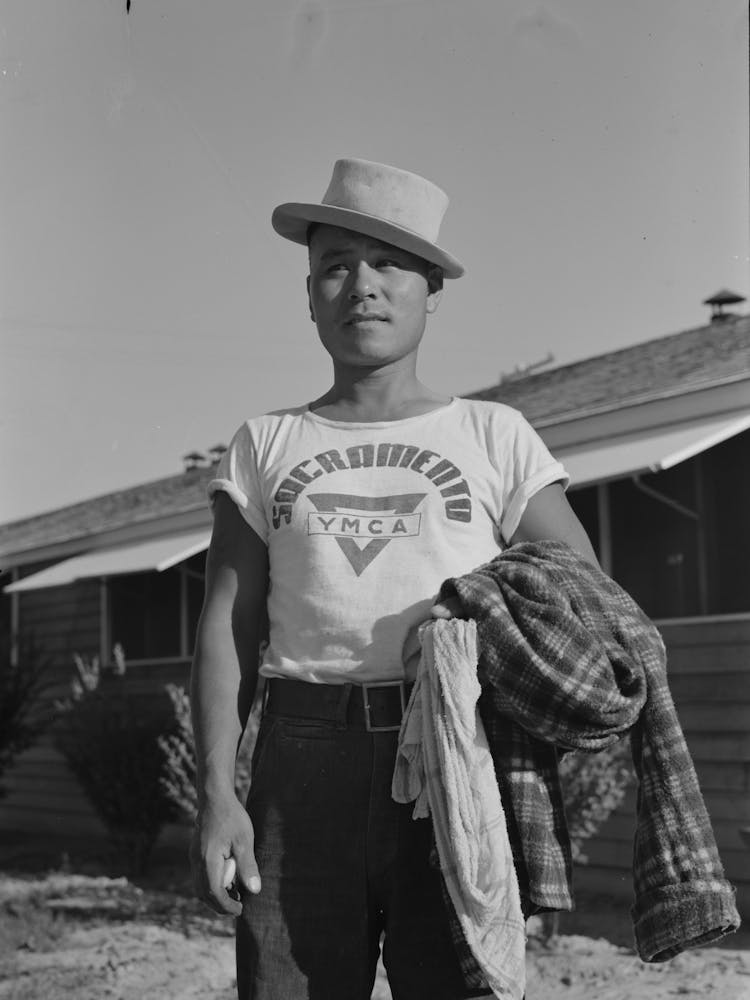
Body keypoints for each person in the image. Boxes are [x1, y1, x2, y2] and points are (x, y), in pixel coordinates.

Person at [189, 157, 598, 1000]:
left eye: (389, 266)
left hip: (451, 751)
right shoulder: (265, 444)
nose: (361, 288)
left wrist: (479, 646)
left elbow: (581, 596)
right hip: (302, 760)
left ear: (432, 292)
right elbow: (228, 626)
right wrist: (217, 800)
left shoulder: (495, 434)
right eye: (335, 265)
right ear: (309, 295)